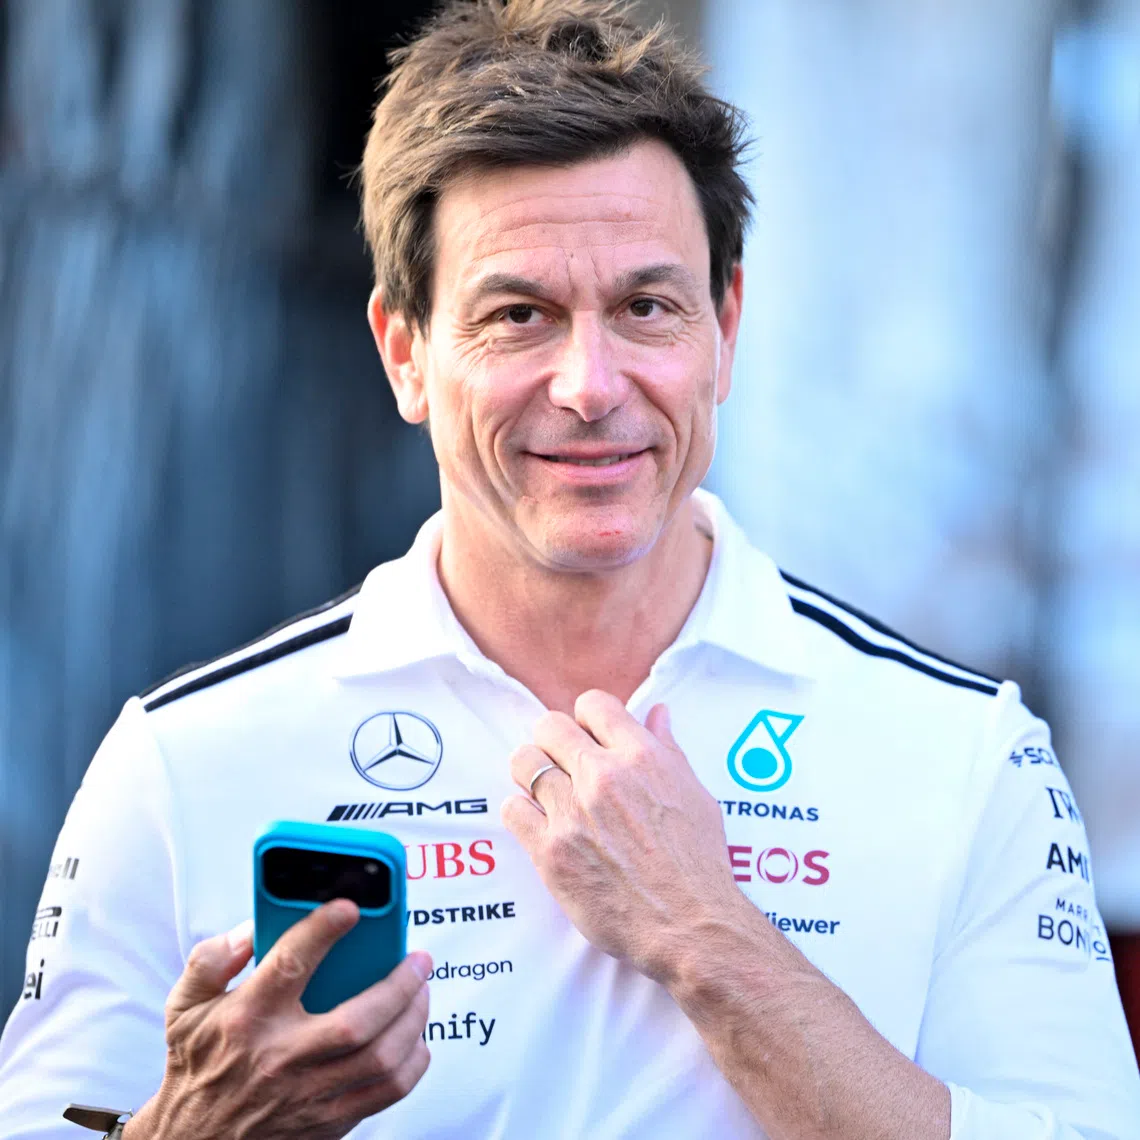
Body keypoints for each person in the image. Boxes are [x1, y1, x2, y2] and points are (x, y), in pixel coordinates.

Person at [2, 0, 1138, 1136]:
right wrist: (196, 1127)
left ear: (725, 329)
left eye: (647, 307)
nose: (591, 385)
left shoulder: (964, 755)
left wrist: (709, 940)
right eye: (520, 315)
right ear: (405, 350)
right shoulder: (180, 763)